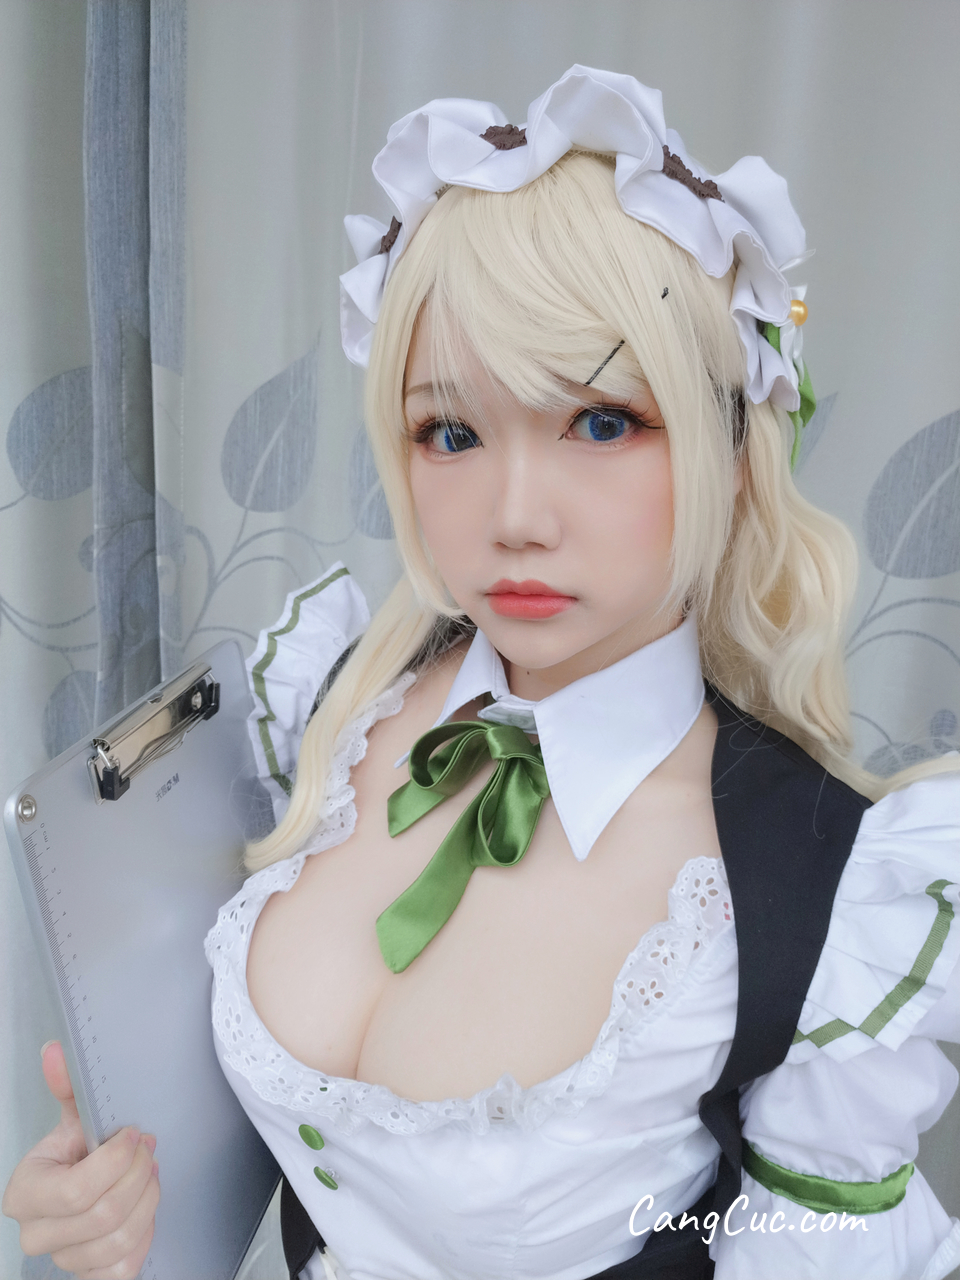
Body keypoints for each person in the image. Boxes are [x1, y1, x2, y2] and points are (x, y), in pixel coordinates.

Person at [5, 65, 960, 1280]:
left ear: (730, 444)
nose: (514, 518)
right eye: (450, 431)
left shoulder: (819, 895)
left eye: (602, 421)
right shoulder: (329, 706)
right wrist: (123, 1209)